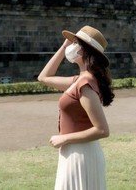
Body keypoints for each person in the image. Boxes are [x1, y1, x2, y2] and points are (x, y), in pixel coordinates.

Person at [38, 25, 115, 190]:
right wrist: (64, 46)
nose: (71, 46)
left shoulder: (85, 84)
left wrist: (64, 138)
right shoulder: (79, 81)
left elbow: (102, 130)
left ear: (85, 51)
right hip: (75, 152)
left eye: (75, 43)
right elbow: (43, 77)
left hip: (81, 153)